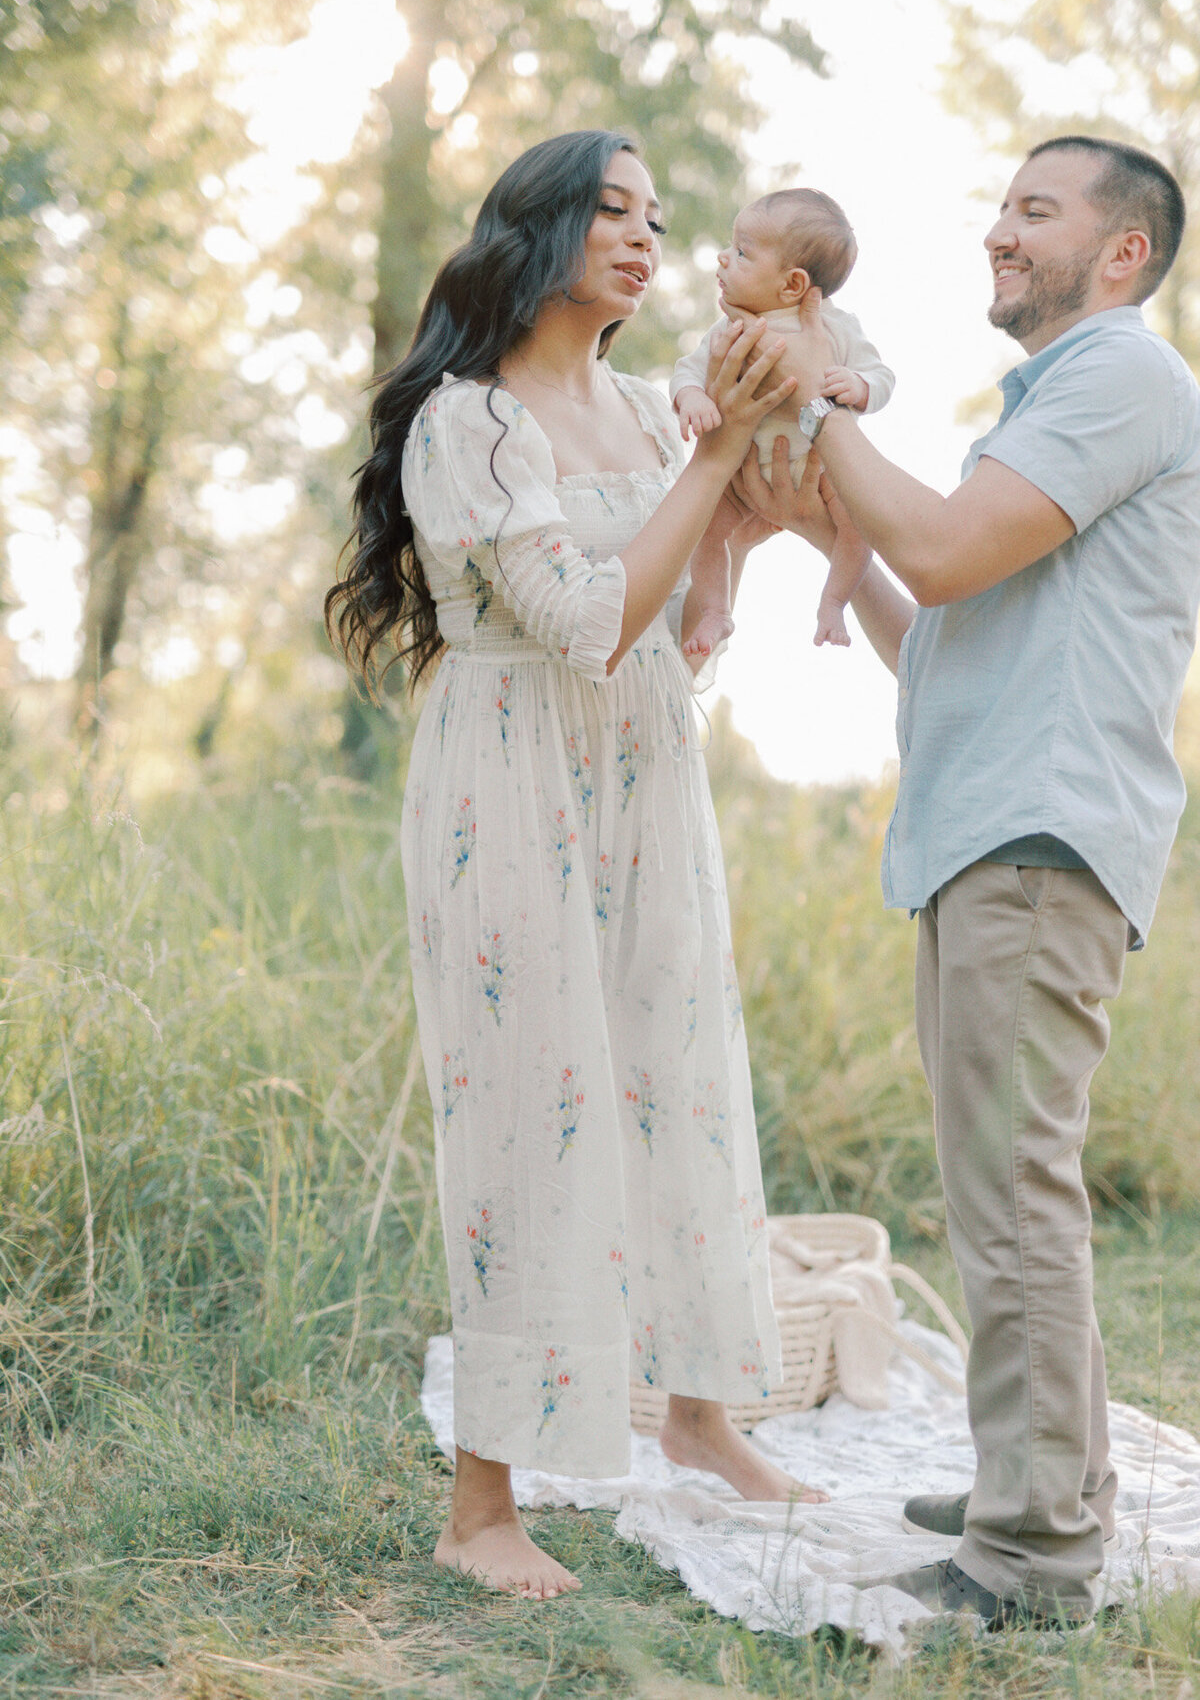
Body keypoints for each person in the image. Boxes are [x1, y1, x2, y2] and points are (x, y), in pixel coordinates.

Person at [326, 130, 827, 1603]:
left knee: (678, 1064)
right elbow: (584, 616)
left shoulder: (634, 400)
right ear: (534, 230)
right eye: (612, 209)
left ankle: (699, 1413)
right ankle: (481, 1501)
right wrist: (722, 459)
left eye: (658, 218)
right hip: (510, 772)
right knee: (531, 1108)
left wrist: (768, 465)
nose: (644, 235)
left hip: (645, 765)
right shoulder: (467, 421)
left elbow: (686, 577)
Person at [734, 136, 1199, 1627]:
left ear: (1120, 253)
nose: (999, 231)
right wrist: (833, 538)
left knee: (1014, 1201)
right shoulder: (1052, 404)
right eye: (1002, 205)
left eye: (1036, 211)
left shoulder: (1125, 377)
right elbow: (935, 627)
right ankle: (1040, 1483)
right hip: (988, 836)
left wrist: (815, 400)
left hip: (1038, 844)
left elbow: (935, 549)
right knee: (1001, 1195)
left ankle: (1035, 1555)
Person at [669, 189, 893, 660]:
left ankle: (833, 604)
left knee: (860, 527)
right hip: (742, 473)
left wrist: (859, 385)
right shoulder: (728, 327)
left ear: (792, 285)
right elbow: (688, 370)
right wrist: (691, 398)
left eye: (742, 253)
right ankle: (715, 608)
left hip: (822, 470)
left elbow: (882, 375)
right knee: (706, 529)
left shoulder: (836, 327)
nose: (723, 258)